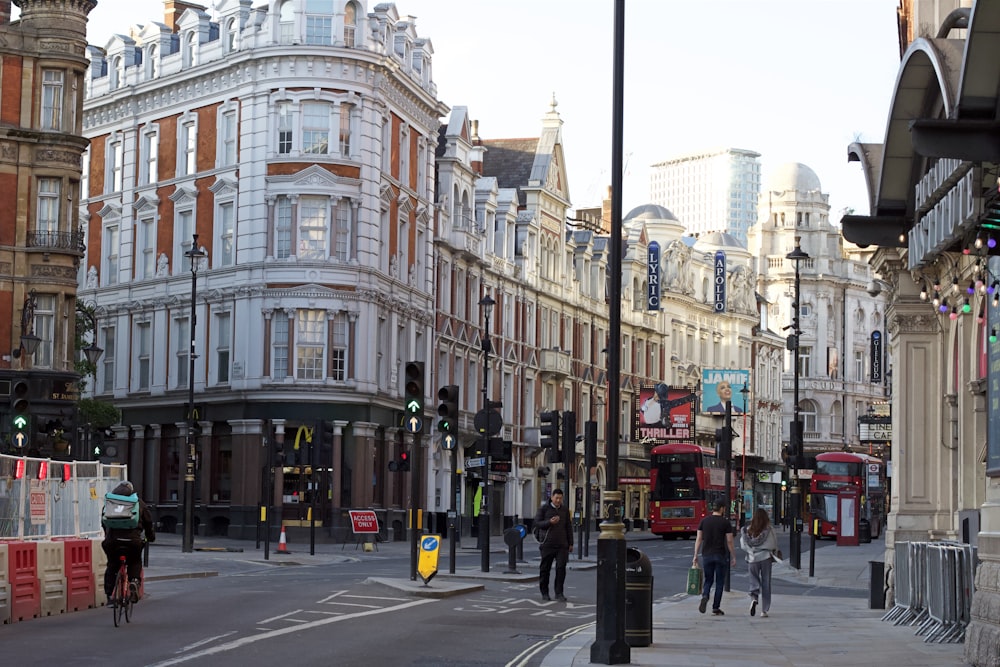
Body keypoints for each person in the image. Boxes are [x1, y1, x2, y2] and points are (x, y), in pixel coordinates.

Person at [101, 481, 155, 606]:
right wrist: (150, 537)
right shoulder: (138, 503)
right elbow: (148, 523)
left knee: (112, 565)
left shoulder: (110, 502)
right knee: (135, 561)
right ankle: (134, 582)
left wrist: (108, 535)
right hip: (133, 541)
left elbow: (103, 521)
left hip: (113, 541)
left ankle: (109, 595)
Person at [692, 500, 736, 615]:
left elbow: (699, 539)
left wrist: (695, 555)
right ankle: (716, 607)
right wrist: (733, 556)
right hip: (721, 554)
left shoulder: (704, 521)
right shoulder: (725, 523)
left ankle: (705, 595)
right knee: (720, 582)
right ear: (721, 508)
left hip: (706, 555)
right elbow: (730, 541)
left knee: (708, 580)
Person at [534, 488, 573, 602]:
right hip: (547, 544)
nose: (558, 500)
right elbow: (537, 523)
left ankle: (559, 592)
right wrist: (549, 522)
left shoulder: (565, 510)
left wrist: (570, 543)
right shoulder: (544, 509)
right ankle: (544, 592)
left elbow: (568, 527)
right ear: (552, 497)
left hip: (562, 545)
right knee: (545, 569)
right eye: (556, 498)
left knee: (561, 569)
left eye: (560, 498)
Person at [740, 508, 778, 618]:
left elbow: (743, 545)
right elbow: (774, 544)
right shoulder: (769, 530)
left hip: (752, 558)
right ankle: (764, 610)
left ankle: (754, 598)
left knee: (753, 580)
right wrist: (774, 552)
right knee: (766, 583)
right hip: (766, 557)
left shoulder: (747, 530)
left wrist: (750, 551)